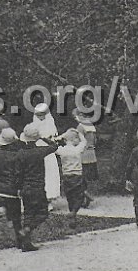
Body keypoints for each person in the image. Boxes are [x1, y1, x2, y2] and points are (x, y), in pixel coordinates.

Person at [18, 123, 60, 251]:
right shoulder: (40, 151)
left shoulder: (20, 153)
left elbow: (18, 172)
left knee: (28, 213)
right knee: (43, 213)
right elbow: (54, 146)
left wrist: (19, 187)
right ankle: (27, 230)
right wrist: (43, 138)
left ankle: (26, 242)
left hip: (25, 187)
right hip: (37, 187)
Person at [0, 128, 23, 250]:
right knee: (16, 218)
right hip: (12, 191)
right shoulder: (17, 156)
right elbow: (19, 174)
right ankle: (20, 240)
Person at [55, 128, 88, 227]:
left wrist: (61, 136)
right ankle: (74, 212)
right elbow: (84, 141)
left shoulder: (61, 150)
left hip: (66, 176)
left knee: (70, 197)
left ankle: (72, 217)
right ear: (74, 140)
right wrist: (79, 133)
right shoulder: (77, 149)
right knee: (79, 196)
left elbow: (52, 145)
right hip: (77, 176)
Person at [32, 103, 61, 208]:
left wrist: (44, 138)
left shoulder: (50, 123)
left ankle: (49, 200)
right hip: (37, 151)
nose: (40, 117)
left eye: (42, 114)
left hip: (48, 153)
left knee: (49, 175)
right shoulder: (34, 124)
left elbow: (52, 140)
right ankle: (39, 199)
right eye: (38, 114)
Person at [74, 109, 98, 207]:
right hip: (92, 153)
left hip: (83, 154)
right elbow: (95, 140)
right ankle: (86, 194)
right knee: (89, 177)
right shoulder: (91, 126)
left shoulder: (80, 126)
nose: (75, 118)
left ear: (80, 115)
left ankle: (84, 194)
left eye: (75, 116)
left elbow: (77, 141)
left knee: (80, 176)